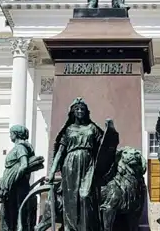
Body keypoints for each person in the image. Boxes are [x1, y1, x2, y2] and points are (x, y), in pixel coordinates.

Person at [47, 98, 106, 231]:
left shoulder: (92, 128)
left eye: (82, 109)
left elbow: (104, 144)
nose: (80, 111)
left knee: (85, 196)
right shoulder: (68, 130)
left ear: (86, 112)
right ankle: (70, 228)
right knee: (71, 199)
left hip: (88, 163)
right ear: (73, 112)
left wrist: (109, 130)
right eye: (77, 109)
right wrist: (51, 172)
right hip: (70, 164)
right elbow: (60, 151)